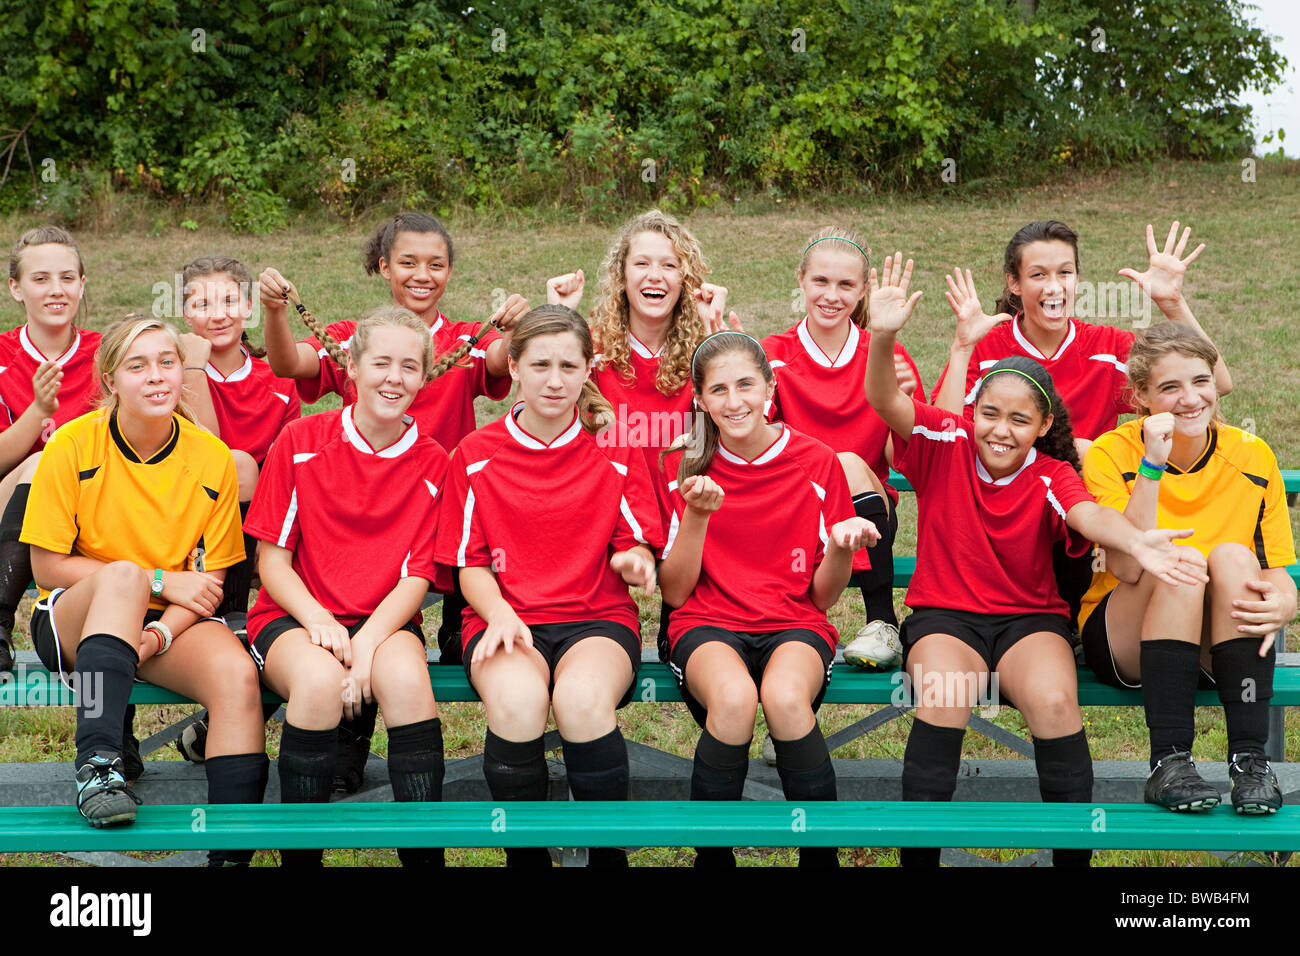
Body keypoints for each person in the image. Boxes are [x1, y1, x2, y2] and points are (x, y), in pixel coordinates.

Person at [866, 255, 1209, 867]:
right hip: (946, 617)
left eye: (1019, 419)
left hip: (1029, 620)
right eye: (990, 414)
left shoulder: (1051, 472)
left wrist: (1134, 539)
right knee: (944, 693)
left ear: (1044, 423)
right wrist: (884, 335)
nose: (1000, 430)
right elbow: (886, 399)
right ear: (972, 412)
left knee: (1054, 702)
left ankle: (1069, 860)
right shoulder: (944, 441)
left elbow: (1087, 516)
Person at [258, 214, 527, 788]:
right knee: (326, 667)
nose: (422, 274)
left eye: (436, 264)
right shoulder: (331, 380)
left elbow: (511, 361)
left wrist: (534, 321)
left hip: (427, 535)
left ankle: (418, 842)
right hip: (328, 579)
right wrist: (276, 311)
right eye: (407, 261)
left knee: (408, 664)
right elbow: (288, 364)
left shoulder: (464, 343)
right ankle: (334, 762)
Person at [20, 316, 265, 866]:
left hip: (164, 621)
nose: (156, 377)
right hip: (74, 616)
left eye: (167, 362)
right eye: (137, 365)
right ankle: (99, 769)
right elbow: (47, 567)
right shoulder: (73, 443)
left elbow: (210, 583)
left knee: (237, 676)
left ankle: (230, 852)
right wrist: (155, 578)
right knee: (126, 575)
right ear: (110, 379)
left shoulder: (211, 458)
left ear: (183, 372)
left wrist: (156, 633)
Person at [435, 305, 664, 868]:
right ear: (512, 366)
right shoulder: (475, 453)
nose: (555, 380)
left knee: (582, 700)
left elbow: (632, 541)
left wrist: (634, 562)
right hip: (503, 617)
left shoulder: (614, 446)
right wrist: (498, 613)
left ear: (590, 368)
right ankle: (527, 856)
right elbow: (470, 564)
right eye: (540, 364)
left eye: (568, 364)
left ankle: (608, 855)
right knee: (517, 702)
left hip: (596, 619)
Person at [930, 220, 1231, 630]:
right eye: (1038, 275)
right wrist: (963, 348)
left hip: (1084, 510)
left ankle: (1072, 623)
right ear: (1014, 283)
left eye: (1065, 273)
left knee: (1090, 460)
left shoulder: (1106, 347)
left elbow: (1219, 383)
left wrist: (1172, 302)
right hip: (1007, 506)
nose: (1054, 287)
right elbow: (942, 432)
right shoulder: (988, 346)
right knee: (1080, 457)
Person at [657, 330, 877, 868]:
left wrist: (843, 549)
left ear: (770, 388)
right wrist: (698, 516)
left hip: (793, 622)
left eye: (746, 385)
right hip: (707, 624)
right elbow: (676, 591)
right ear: (700, 400)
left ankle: (819, 857)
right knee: (733, 700)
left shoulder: (816, 461)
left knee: (783, 697)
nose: (735, 402)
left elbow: (822, 599)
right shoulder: (680, 465)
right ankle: (713, 858)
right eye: (720, 391)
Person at [242, 306, 451, 866]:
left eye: (409, 366)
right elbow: (273, 563)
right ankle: (302, 858)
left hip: (384, 619)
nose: (394, 377)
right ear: (351, 367)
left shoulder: (434, 462)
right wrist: (320, 623)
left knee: (407, 683)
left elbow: (417, 577)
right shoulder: (302, 440)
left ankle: (424, 856)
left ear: (424, 378)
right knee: (315, 684)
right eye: (380, 362)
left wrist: (364, 648)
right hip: (297, 614)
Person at [1079, 323, 1297, 814]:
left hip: (1212, 646)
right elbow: (1126, 565)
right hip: (1126, 636)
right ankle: (1169, 762)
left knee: (1235, 558)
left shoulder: (1252, 454)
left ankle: (1250, 762)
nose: (1190, 399)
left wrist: (1283, 602)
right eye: (1170, 387)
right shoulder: (1112, 451)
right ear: (1140, 395)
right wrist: (1153, 465)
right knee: (1179, 559)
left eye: (1200, 381)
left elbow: (1277, 572)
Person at [546, 209, 735, 662]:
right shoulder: (587, 350)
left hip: (687, 519)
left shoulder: (706, 352)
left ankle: (681, 624)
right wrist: (557, 320)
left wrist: (718, 334)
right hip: (607, 524)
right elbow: (539, 410)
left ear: (686, 279)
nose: (655, 276)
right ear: (621, 275)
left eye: (669, 265)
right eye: (642, 264)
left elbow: (749, 421)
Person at [761, 228, 926, 671]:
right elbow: (755, 447)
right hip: (791, 509)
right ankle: (791, 636)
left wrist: (902, 409)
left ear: (864, 289)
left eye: (846, 285)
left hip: (865, 512)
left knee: (847, 462)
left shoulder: (885, 353)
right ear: (801, 280)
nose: (831, 295)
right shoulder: (772, 356)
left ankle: (881, 624)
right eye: (821, 281)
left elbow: (906, 463)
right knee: (835, 461)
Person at [168, 255, 303, 764]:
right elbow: (207, 456)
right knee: (236, 465)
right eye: (201, 303)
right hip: (190, 521)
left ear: (248, 307)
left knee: (252, 472)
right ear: (185, 313)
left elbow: (284, 467)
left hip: (262, 527)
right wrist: (194, 367)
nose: (217, 313)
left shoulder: (277, 379)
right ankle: (232, 614)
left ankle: (211, 730)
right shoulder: (175, 372)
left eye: (229, 300)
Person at [0, 227, 102, 673]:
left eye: (67, 278)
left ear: (82, 284)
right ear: (16, 289)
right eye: (40, 279)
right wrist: (37, 413)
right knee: (42, 463)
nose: (56, 290)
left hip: (93, 511)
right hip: (13, 510)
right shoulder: (2, 356)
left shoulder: (108, 353)